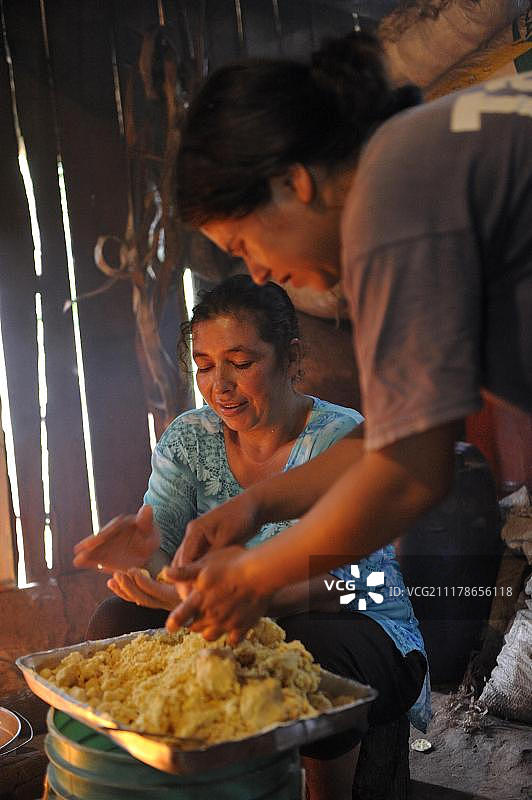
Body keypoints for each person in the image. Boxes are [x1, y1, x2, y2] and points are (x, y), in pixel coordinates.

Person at [156, 35, 531, 643]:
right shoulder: (418, 152)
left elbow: (410, 471)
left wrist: (258, 572)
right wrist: (254, 507)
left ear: (293, 181)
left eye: (243, 244)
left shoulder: (390, 199)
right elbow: (391, 440)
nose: (255, 272)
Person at [74, 275, 429, 800]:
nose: (220, 385)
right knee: (115, 620)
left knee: (304, 653)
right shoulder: (191, 438)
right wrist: (141, 558)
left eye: (241, 364)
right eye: (204, 365)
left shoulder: (340, 438)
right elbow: (166, 557)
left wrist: (248, 595)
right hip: (240, 615)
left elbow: (353, 583)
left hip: (355, 622)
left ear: (289, 358)